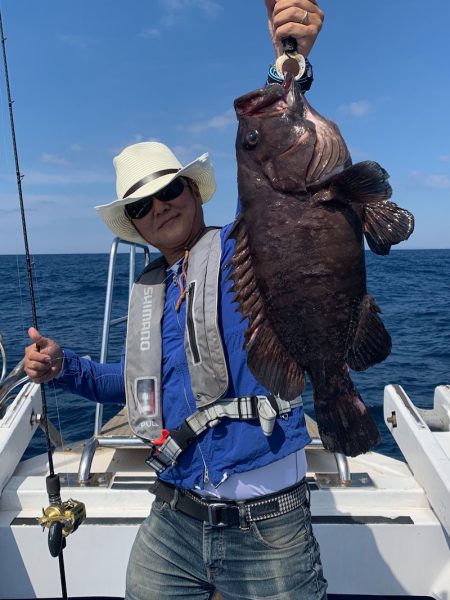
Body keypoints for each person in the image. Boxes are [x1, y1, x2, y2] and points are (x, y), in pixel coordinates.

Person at [24, 1, 326, 598]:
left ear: (195, 191)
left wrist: (288, 64)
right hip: (174, 517)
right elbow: (138, 386)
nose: (159, 207)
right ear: (133, 225)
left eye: (169, 190)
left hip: (269, 523)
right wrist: (64, 370)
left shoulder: (248, 245)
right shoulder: (151, 293)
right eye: (141, 205)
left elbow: (282, 172)